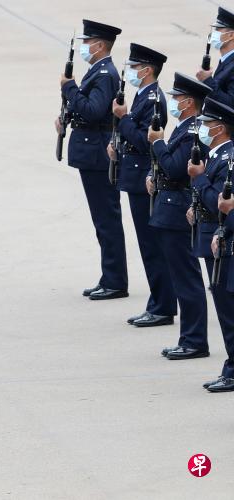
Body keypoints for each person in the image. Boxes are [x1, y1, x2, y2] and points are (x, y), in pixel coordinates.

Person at [58, 20, 127, 300]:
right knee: (102, 219)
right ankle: (109, 276)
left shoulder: (105, 74)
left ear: (99, 45)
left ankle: (115, 280)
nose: (84, 47)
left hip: (97, 154)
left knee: (106, 219)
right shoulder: (98, 71)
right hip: (92, 152)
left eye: (87, 43)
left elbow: (95, 111)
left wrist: (70, 88)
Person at [145, 74, 212, 357]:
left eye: (177, 98)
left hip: (177, 209)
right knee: (181, 276)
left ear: (188, 103)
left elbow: (175, 169)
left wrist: (157, 144)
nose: (173, 102)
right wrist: (153, 175)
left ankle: (194, 340)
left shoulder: (193, 131)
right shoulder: (184, 127)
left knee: (186, 278)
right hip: (169, 207)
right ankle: (189, 338)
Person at [109, 43, 175, 324]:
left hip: (143, 179)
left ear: (147, 70)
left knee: (152, 246)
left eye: (135, 67)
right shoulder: (143, 96)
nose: (132, 72)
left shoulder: (153, 100)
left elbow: (146, 142)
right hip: (134, 175)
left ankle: (162, 307)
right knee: (149, 246)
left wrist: (123, 118)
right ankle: (157, 302)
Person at [186, 98, 234, 390]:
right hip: (212, 237)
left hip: (223, 243)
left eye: (207, 124)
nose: (202, 128)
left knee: (228, 310)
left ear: (220, 128)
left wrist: (199, 178)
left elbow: (220, 203)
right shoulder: (218, 155)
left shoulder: (227, 158)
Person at [198, 7, 234, 107]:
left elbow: (231, 104)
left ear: (231, 35)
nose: (214, 34)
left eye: (218, 30)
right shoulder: (226, 61)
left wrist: (207, 81)